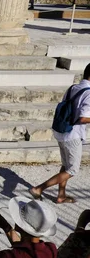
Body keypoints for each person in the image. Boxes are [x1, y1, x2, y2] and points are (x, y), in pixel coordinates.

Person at [30, 63, 90, 203]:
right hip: (73, 135)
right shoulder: (89, 93)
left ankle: (61, 195)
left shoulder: (73, 88)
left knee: (66, 165)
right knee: (73, 170)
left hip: (62, 131)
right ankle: (39, 188)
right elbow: (82, 117)